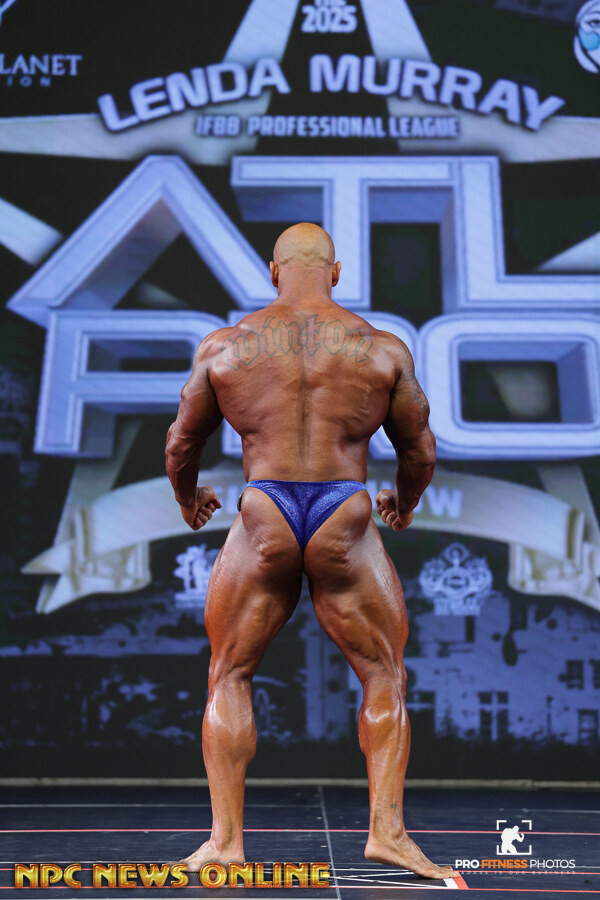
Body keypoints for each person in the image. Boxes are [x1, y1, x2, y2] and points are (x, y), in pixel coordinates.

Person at [165, 223, 456, 880]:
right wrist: (404, 503)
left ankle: (225, 843)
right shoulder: (379, 348)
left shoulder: (227, 347)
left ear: (274, 272)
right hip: (342, 511)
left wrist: (189, 500)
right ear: (337, 272)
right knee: (383, 674)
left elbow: (181, 444)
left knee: (229, 675)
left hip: (264, 510)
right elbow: (420, 450)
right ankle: (387, 833)